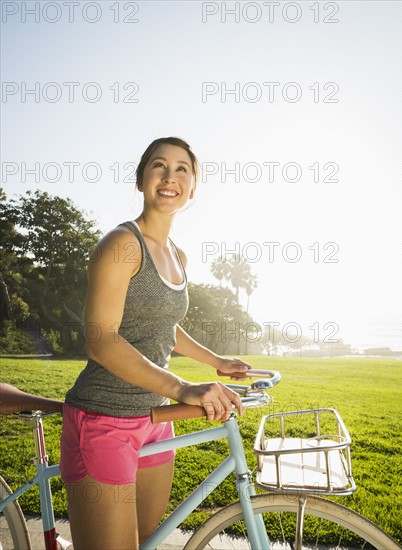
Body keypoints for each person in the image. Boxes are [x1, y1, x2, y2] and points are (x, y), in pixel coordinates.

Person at [60, 136, 252, 549]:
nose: (170, 177)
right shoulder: (121, 245)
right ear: (141, 178)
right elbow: (102, 341)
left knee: (145, 539)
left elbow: (165, 326)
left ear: (193, 187)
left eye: (182, 169)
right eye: (159, 166)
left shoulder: (177, 255)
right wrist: (184, 388)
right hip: (105, 418)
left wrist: (216, 361)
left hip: (155, 419)